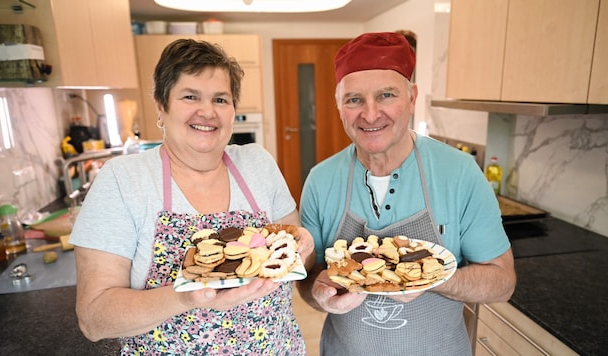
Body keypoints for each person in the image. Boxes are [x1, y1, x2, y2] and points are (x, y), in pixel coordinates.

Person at [69, 38, 315, 355]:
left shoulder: (258, 164)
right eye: (190, 96)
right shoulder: (123, 180)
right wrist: (186, 296)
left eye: (221, 100)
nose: (207, 111)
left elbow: (297, 260)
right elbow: (94, 318)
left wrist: (304, 246)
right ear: (161, 105)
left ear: (233, 110)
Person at [298, 32, 516, 355]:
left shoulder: (459, 174)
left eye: (386, 95)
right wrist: (317, 291)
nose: (370, 115)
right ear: (339, 105)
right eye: (354, 99)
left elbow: (502, 281)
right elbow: (305, 278)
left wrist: (434, 278)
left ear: (412, 98)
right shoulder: (320, 181)